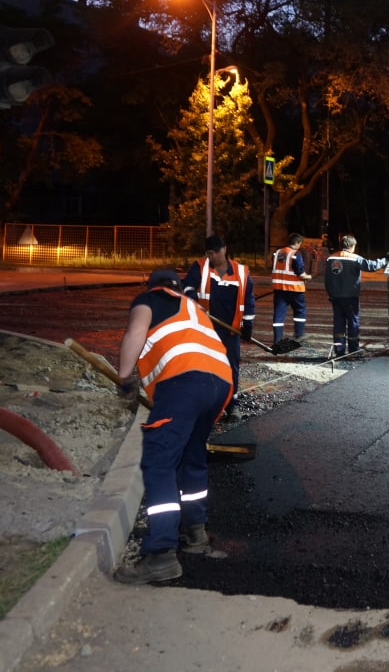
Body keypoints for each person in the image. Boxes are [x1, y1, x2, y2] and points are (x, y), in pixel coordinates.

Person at [113, 269, 233, 584]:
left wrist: (124, 376)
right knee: (192, 456)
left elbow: (135, 334)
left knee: (159, 459)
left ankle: (162, 554)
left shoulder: (149, 299)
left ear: (154, 287)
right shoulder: (193, 306)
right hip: (219, 382)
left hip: (184, 382)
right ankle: (196, 534)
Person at [183, 234, 255, 418]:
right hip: (206, 330)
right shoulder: (200, 267)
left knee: (231, 368)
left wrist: (248, 325)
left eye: (215, 252)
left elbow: (248, 300)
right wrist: (192, 299)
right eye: (209, 253)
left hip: (231, 331)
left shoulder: (241, 272)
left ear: (224, 249)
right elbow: (188, 286)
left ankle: (231, 405)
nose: (212, 257)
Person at [325, 234, 386, 357]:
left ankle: (339, 351)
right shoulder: (355, 258)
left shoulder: (330, 258)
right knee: (353, 322)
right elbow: (371, 266)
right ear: (352, 246)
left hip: (335, 297)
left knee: (338, 323)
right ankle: (353, 350)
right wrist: (385, 260)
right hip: (350, 297)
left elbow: (327, 279)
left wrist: (330, 294)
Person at [270, 232, 312, 346]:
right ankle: (299, 334)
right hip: (294, 289)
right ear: (297, 243)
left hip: (279, 289)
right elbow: (300, 272)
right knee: (299, 310)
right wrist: (308, 276)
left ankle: (277, 339)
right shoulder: (295, 254)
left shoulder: (277, 253)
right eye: (300, 244)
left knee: (278, 314)